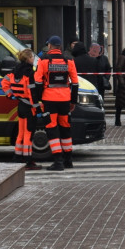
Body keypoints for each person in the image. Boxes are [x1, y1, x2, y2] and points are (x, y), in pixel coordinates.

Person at [32, 35, 79, 171]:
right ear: (59, 47)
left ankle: (58, 161)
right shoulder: (68, 60)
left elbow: (38, 82)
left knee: (52, 129)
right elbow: (75, 82)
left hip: (49, 99)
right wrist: (73, 101)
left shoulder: (43, 60)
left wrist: (39, 100)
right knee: (65, 128)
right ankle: (68, 160)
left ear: (50, 46)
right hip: (65, 99)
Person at [1, 48, 42, 170]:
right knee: (29, 134)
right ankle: (28, 161)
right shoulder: (30, 73)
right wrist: (37, 109)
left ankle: (17, 157)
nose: (34, 59)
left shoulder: (15, 71)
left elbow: (4, 82)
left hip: (21, 106)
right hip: (29, 107)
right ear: (28, 58)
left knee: (21, 133)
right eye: (33, 57)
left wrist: (10, 95)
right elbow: (32, 93)